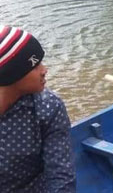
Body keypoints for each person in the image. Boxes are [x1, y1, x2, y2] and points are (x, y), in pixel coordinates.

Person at [0, 26, 75, 193]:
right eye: (35, 65)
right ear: (12, 75)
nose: (44, 70)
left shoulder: (48, 107)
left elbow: (61, 177)